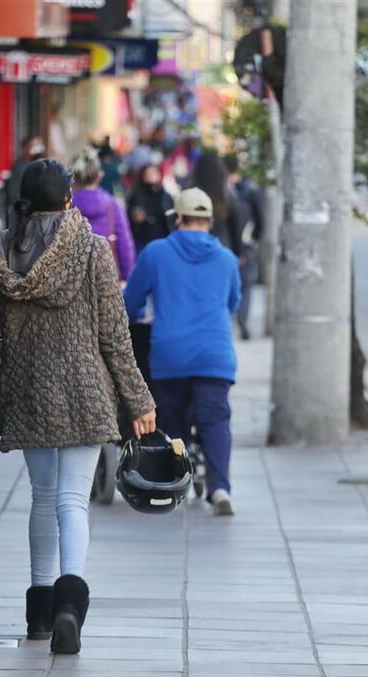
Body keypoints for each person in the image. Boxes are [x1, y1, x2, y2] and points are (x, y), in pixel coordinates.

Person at [0, 159, 155, 655]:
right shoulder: (94, 251)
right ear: (69, 201)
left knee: (42, 498)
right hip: (86, 391)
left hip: (28, 392)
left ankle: (38, 614)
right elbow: (115, 337)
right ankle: (70, 606)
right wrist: (138, 399)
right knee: (73, 501)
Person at [123, 188, 241, 516]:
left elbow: (129, 303)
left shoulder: (156, 253)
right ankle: (219, 488)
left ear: (177, 218)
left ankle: (177, 484)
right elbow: (233, 303)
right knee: (215, 419)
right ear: (210, 222)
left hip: (170, 354)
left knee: (172, 420)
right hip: (215, 356)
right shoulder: (228, 259)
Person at [70, 147, 136, 281]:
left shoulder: (68, 205)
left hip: (74, 277)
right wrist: (127, 276)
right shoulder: (112, 205)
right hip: (106, 277)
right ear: (100, 176)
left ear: (74, 178)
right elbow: (124, 244)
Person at [224, 155, 265, 340]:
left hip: (243, 245)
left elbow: (260, 221)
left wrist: (252, 239)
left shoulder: (248, 191)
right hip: (232, 247)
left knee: (245, 284)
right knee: (240, 285)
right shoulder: (228, 192)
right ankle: (238, 317)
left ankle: (241, 318)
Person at [188, 150, 241, 256]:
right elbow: (235, 228)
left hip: (193, 248)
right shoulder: (228, 196)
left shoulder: (189, 195)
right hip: (221, 247)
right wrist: (238, 252)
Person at [126, 163, 174, 253]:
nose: (151, 176)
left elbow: (171, 218)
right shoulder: (135, 196)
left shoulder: (166, 197)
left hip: (162, 240)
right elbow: (128, 217)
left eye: (154, 173)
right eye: (148, 174)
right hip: (141, 241)